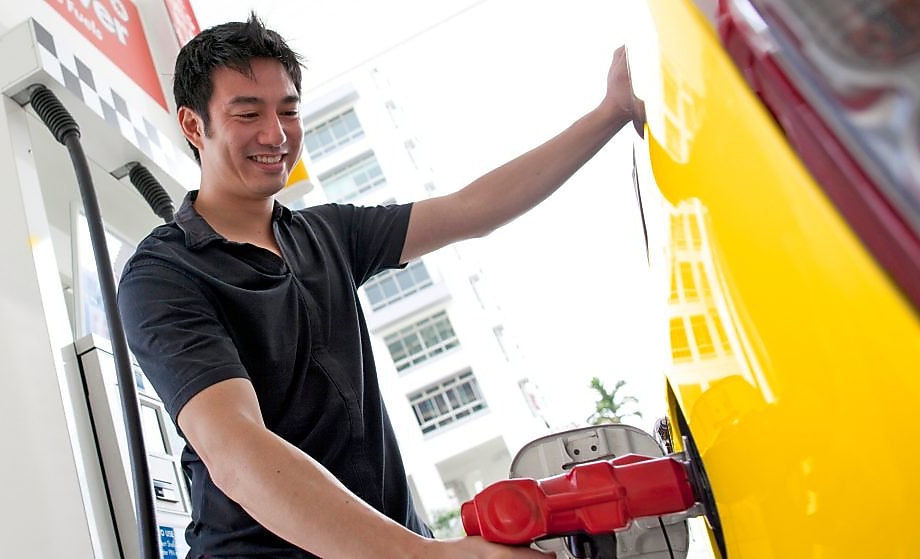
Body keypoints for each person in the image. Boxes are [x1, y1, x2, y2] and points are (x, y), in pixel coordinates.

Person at [117, 13, 643, 559]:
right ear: (194, 125)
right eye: (248, 113)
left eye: (289, 111)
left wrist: (611, 112)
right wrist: (429, 557)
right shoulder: (164, 274)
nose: (276, 134)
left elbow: (472, 210)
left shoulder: (327, 234)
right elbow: (237, 452)